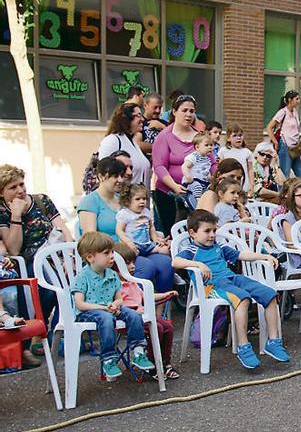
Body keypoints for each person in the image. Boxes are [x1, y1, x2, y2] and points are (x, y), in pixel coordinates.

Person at [173, 210, 291, 369]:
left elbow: (241, 254)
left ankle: (273, 341)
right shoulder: (191, 250)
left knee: (269, 295)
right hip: (212, 285)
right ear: (192, 233)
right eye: (207, 231)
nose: (212, 235)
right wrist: (198, 264)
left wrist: (264, 256)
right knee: (243, 300)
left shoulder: (218, 246)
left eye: (214, 230)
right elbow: (175, 262)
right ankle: (243, 346)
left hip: (232, 279)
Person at [0, 165, 73, 355]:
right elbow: (14, 249)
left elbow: (64, 230)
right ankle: (43, 336)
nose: (20, 190)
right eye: (13, 187)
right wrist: (16, 215)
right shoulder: (2, 212)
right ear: (1, 193)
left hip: (56, 257)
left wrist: (69, 257)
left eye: (22, 184)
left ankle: (60, 333)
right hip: (30, 263)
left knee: (71, 286)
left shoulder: (41, 200)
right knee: (50, 288)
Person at [78, 158, 174, 294]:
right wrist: (119, 248)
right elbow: (91, 238)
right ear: (100, 177)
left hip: (137, 248)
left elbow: (141, 222)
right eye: (115, 176)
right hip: (111, 254)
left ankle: (158, 311)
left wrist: (156, 238)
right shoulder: (90, 201)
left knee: (166, 264)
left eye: (121, 176)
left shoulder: (124, 199)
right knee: (146, 267)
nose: (120, 180)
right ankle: (135, 306)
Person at [72, 231, 155, 380]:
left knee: (134, 315)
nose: (112, 256)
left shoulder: (112, 274)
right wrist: (103, 308)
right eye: (106, 253)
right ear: (90, 257)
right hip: (88, 311)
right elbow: (80, 303)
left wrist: (115, 304)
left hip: (109, 308)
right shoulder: (82, 277)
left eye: (112, 252)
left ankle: (138, 351)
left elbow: (119, 299)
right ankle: (108, 359)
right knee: (106, 318)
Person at [113, 243, 179, 380]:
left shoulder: (132, 282)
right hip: (130, 320)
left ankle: (165, 362)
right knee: (158, 328)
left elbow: (146, 296)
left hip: (144, 316)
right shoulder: (114, 285)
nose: (133, 266)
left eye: (133, 262)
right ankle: (152, 363)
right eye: (127, 263)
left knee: (168, 327)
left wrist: (166, 294)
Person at [153, 94, 215, 236]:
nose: (188, 115)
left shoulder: (200, 136)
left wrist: (214, 179)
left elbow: (212, 162)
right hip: (169, 194)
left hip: (198, 192)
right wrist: (174, 186)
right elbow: (159, 166)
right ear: (174, 112)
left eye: (191, 111)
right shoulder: (164, 136)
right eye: (184, 110)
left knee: (199, 231)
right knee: (173, 233)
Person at [98, 102, 152, 188]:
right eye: (138, 115)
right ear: (127, 118)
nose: (142, 119)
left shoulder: (133, 143)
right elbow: (104, 172)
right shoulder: (112, 141)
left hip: (139, 199)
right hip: (122, 200)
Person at [115, 183, 169, 256]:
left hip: (148, 245)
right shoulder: (125, 214)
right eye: (138, 199)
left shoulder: (146, 212)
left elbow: (151, 227)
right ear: (127, 201)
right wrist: (128, 242)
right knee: (130, 254)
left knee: (165, 249)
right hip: (134, 246)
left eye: (144, 198)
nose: (142, 201)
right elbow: (119, 230)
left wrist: (155, 239)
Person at [267, 90, 301, 178]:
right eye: (296, 99)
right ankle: (282, 192)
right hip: (285, 146)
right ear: (290, 100)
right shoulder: (282, 112)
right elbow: (269, 127)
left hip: (295, 147)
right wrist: (275, 142)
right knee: (285, 174)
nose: (298, 101)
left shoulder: (295, 112)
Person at [181, 132, 215, 209]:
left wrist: (210, 178)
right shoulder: (194, 157)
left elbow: (206, 171)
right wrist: (188, 177)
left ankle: (206, 203)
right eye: (206, 145)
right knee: (197, 187)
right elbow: (184, 166)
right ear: (197, 147)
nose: (210, 147)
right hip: (192, 181)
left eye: (211, 145)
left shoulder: (207, 159)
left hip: (203, 182)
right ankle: (198, 203)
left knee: (210, 190)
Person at [218, 124, 255, 195]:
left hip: (242, 183)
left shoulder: (247, 152)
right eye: (234, 135)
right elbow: (220, 167)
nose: (238, 138)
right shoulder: (223, 151)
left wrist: (251, 184)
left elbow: (250, 169)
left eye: (240, 135)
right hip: (227, 182)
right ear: (228, 138)